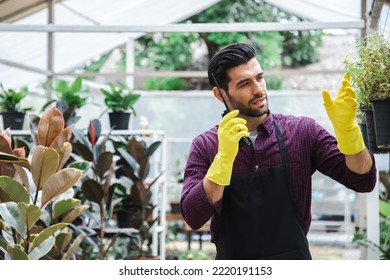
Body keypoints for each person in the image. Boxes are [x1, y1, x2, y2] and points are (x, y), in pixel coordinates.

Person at [180, 42, 376, 260]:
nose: (258, 89)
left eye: (259, 77)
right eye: (245, 83)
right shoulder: (206, 145)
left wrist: (349, 133)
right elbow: (193, 216)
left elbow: (363, 180)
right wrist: (223, 159)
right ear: (220, 94)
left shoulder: (302, 132)